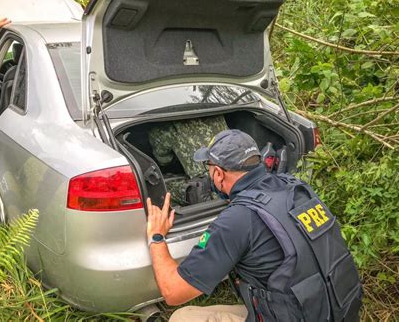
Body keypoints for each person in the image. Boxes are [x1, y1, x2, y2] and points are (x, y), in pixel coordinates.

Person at [146, 129, 362, 322]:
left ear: (219, 174)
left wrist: (156, 237)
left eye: (209, 168)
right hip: (334, 309)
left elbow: (173, 292)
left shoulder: (237, 220)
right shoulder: (296, 187)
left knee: (182, 317)